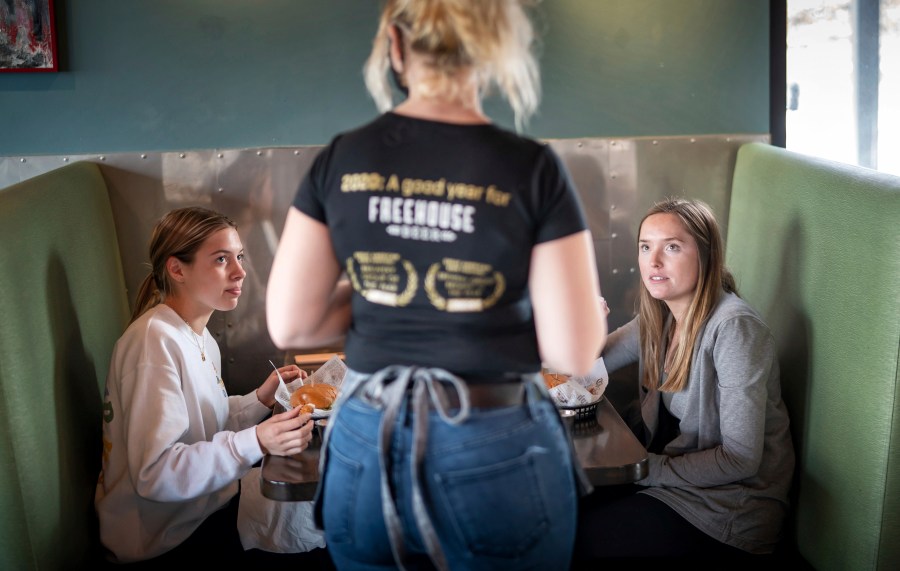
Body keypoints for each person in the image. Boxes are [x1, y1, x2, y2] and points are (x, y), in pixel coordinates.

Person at [266, 1, 607, 569]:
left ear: (395, 48)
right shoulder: (531, 167)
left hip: (366, 440)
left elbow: (293, 322)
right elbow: (573, 348)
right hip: (495, 435)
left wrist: (386, 296)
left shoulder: (342, 159)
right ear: (491, 50)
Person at [95, 206, 326, 567]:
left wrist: (258, 400)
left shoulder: (195, 335)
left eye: (239, 256)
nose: (240, 271)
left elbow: (203, 424)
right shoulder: (154, 344)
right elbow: (155, 474)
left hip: (198, 511)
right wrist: (258, 441)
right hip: (164, 541)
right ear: (177, 269)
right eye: (221, 259)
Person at [572, 198, 795, 564]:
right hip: (676, 482)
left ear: (706, 256)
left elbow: (740, 461)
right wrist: (589, 328)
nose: (653, 262)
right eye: (646, 247)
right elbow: (589, 369)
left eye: (672, 247)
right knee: (557, 513)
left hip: (730, 511)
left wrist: (644, 469)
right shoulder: (659, 317)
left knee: (579, 544)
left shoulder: (734, 328)